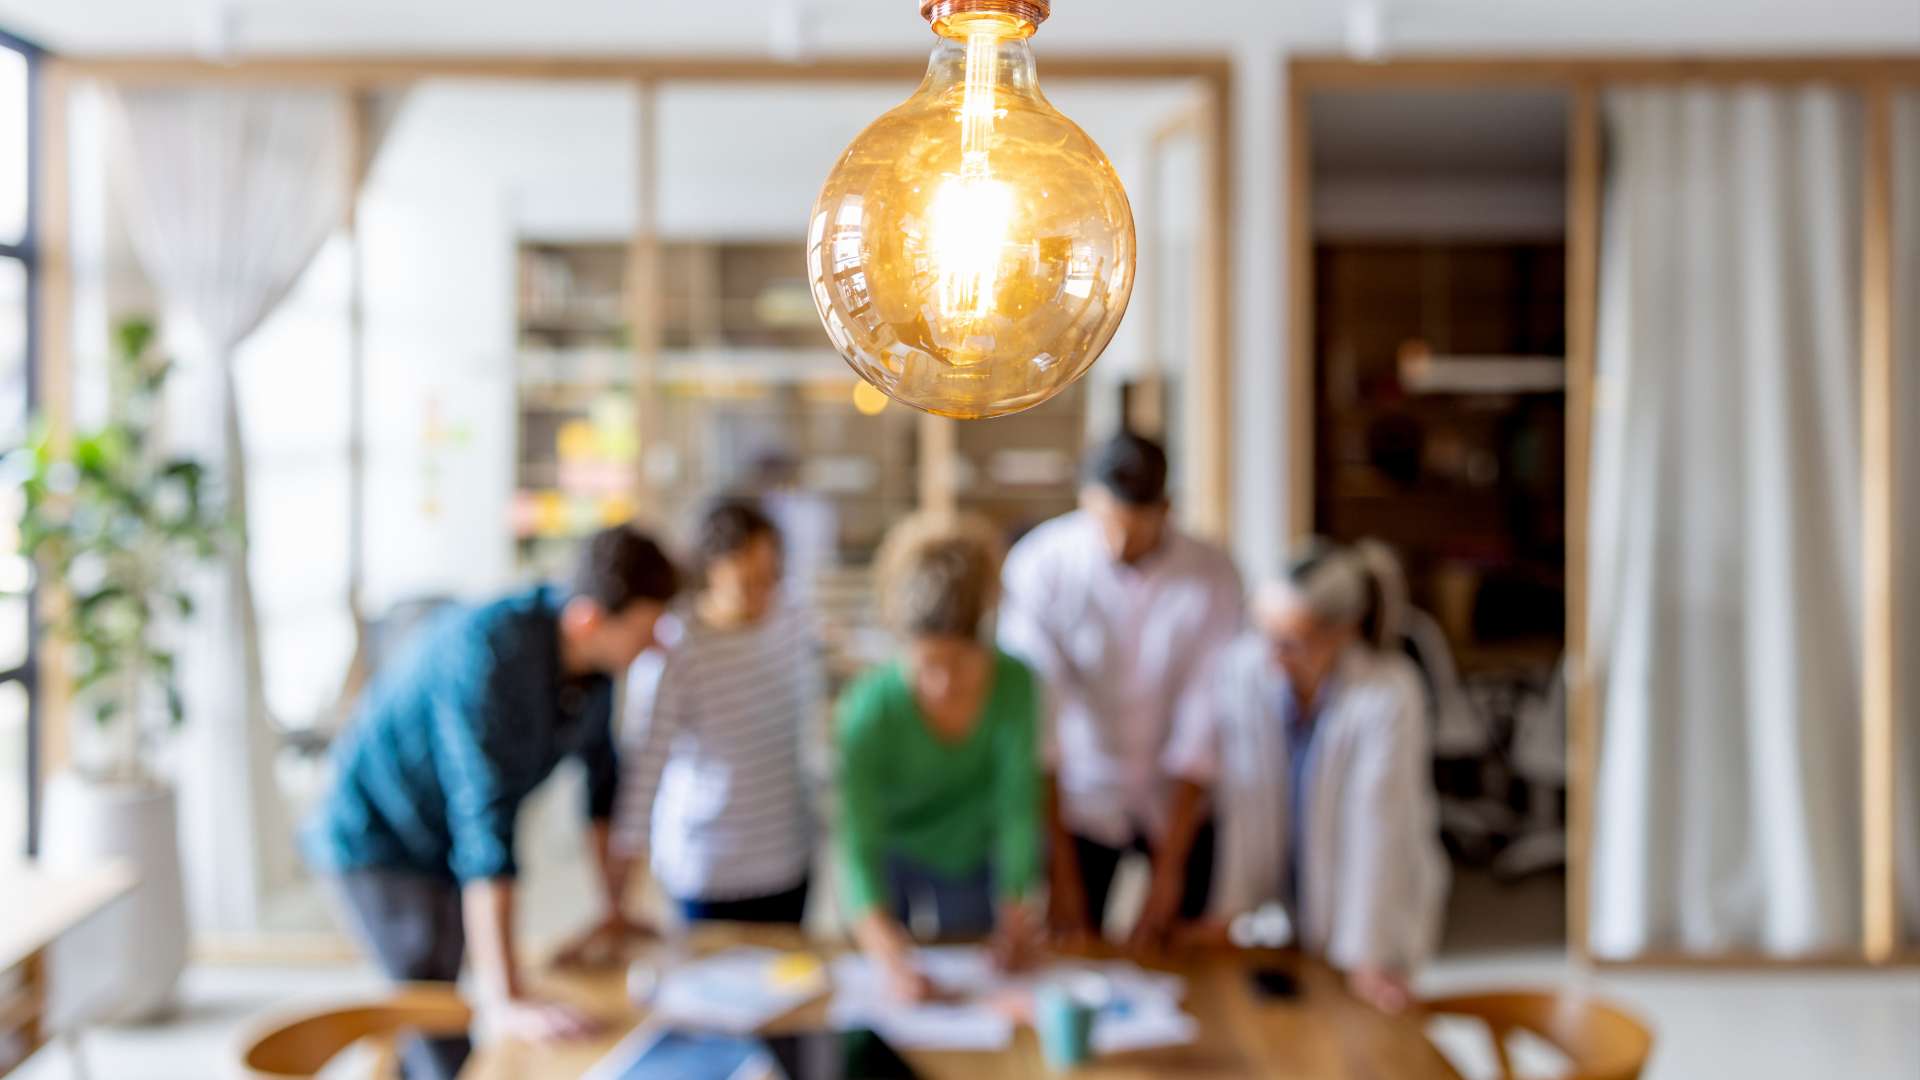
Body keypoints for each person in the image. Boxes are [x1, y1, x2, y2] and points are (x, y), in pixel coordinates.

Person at [302, 525, 679, 1080]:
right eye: (646, 629)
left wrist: (613, 912)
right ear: (589, 620)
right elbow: (486, 829)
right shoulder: (491, 655)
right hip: (377, 837)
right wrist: (507, 998)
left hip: (443, 840)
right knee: (437, 1014)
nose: (657, 645)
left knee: (451, 1007)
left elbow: (601, 788)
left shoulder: (596, 668)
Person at [1159, 538, 1448, 1013]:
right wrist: (1229, 911)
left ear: (1343, 633)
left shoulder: (1388, 693)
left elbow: (1377, 829)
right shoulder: (1249, 672)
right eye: (1263, 633)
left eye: (1290, 642)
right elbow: (1246, 805)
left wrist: (1368, 955)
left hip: (1376, 908)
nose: (1271, 655)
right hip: (1295, 904)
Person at [997, 431, 1244, 946]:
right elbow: (1036, 720)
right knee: (1074, 943)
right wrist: (1061, 875)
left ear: (1167, 509)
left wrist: (1169, 870)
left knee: (1177, 946)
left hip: (1176, 798)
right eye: (1107, 524)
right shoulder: (1041, 565)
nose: (1118, 544)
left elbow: (1204, 724)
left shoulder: (1215, 574)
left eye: (1135, 530)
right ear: (1085, 499)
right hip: (1080, 795)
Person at [835, 514, 1043, 1001]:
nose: (945, 684)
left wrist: (1016, 913)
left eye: (961, 664)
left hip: (968, 852)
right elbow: (857, 845)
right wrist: (887, 954)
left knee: (976, 969)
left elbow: (1017, 810)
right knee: (887, 986)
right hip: (891, 851)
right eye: (929, 665)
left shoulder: (1016, 685)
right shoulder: (867, 710)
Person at [612, 498, 821, 925]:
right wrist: (618, 902)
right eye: (747, 582)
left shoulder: (794, 620)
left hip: (788, 857)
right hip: (706, 869)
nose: (763, 595)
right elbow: (643, 775)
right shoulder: (672, 649)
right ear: (710, 572)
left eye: (771, 578)